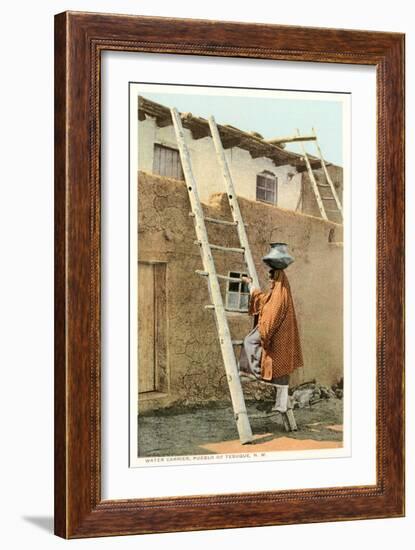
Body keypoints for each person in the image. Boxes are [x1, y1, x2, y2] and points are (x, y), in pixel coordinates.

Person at [239, 268, 303, 412]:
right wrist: (251, 285)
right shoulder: (279, 293)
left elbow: (271, 314)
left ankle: (256, 371)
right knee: (282, 371)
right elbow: (264, 300)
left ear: (277, 279)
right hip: (283, 339)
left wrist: (264, 334)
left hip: (278, 336)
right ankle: (282, 405)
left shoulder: (280, 296)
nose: (270, 282)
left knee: (250, 341)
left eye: (272, 279)